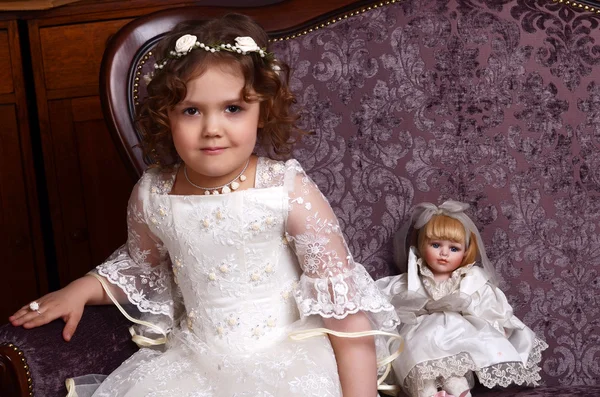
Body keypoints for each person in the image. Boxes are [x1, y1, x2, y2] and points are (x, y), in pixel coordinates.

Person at [9, 14, 399, 397]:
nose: (212, 128)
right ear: (166, 116)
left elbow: (344, 311)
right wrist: (81, 288)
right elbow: (140, 266)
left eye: (233, 108)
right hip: (194, 365)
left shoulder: (285, 189)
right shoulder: (153, 193)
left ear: (262, 110)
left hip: (287, 363)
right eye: (192, 110)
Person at [377, 201, 548, 397]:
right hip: (419, 334)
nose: (444, 253)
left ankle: (458, 389)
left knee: (455, 372)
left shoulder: (469, 280)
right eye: (435, 245)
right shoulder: (413, 280)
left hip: (456, 335)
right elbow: (385, 298)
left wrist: (501, 324)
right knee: (415, 356)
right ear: (421, 246)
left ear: (466, 251)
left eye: (454, 248)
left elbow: (487, 306)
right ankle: (427, 391)